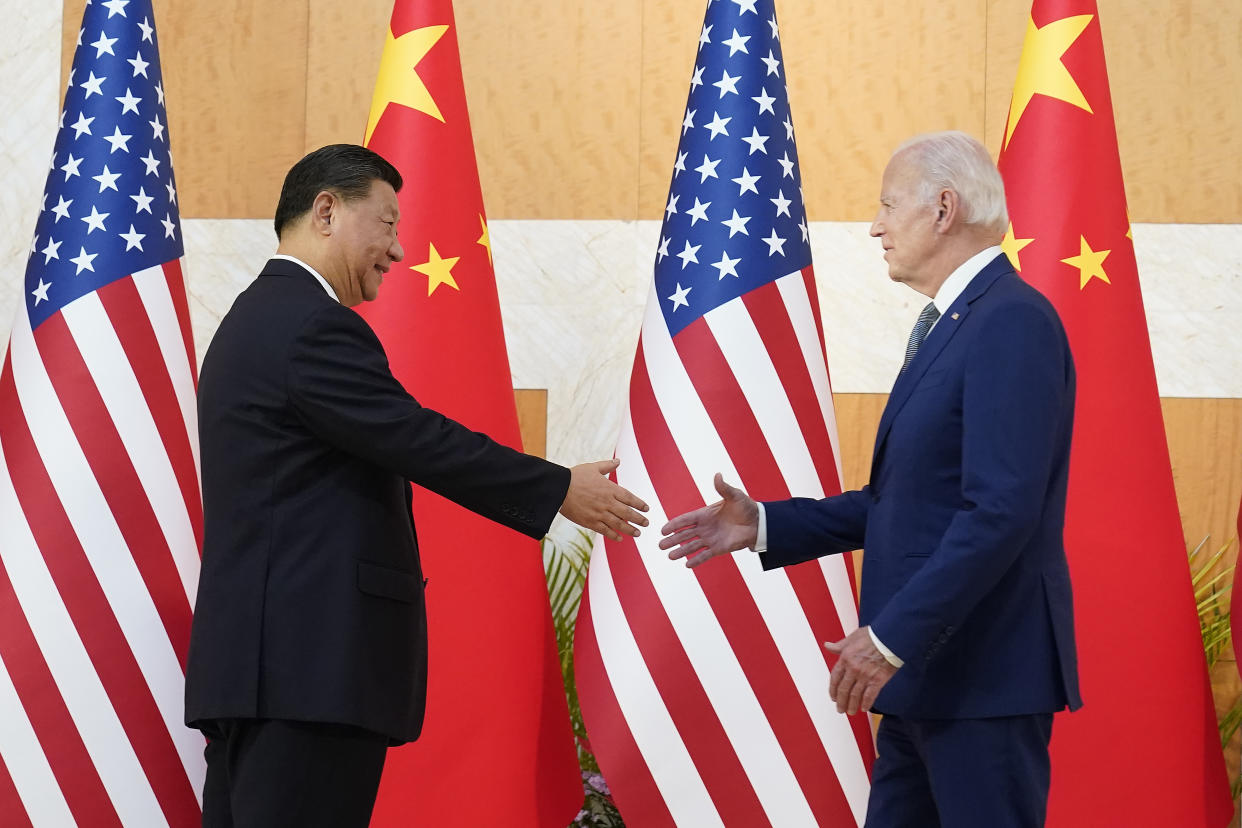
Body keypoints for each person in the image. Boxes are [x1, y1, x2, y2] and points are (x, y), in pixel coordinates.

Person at [185, 144, 649, 828]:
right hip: (308, 675)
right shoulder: (312, 326)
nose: (398, 250)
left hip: (264, 673)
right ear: (326, 211)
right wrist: (556, 489)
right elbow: (417, 437)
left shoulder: (254, 318)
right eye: (388, 224)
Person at [660, 131, 1080, 828]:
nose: (875, 225)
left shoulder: (1011, 321)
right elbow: (904, 505)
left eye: (889, 205)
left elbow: (1000, 511)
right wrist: (763, 522)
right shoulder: (956, 324)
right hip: (924, 679)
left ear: (944, 209)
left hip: (980, 679)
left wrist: (890, 638)